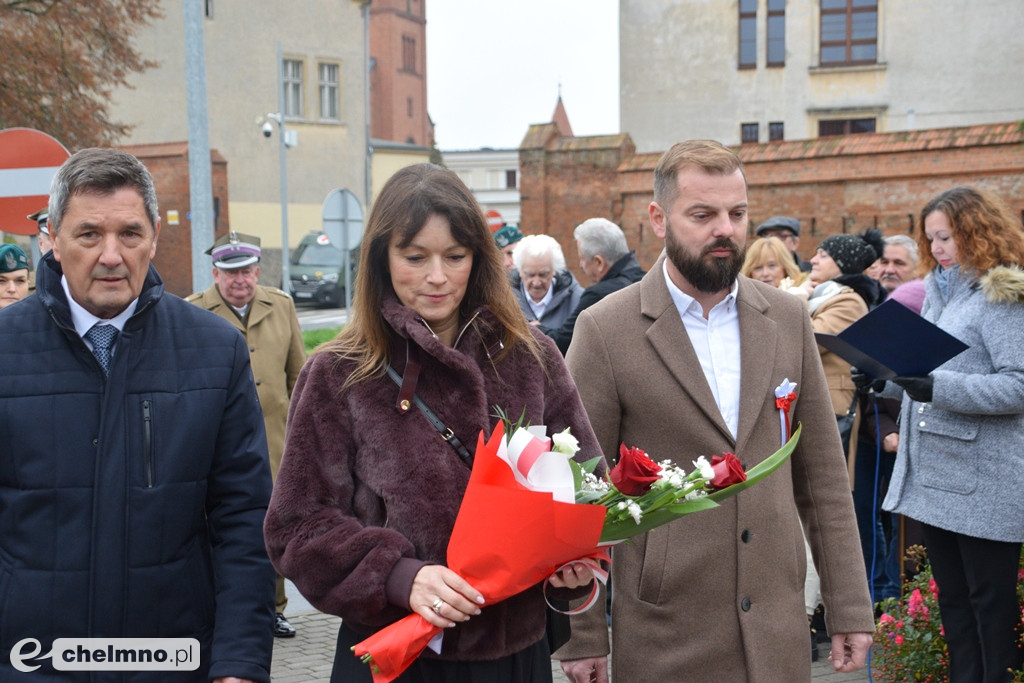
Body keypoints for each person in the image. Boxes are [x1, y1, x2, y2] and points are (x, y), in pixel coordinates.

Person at [263, 163, 605, 683]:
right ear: (381, 257)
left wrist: (573, 572)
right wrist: (400, 577)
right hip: (395, 654)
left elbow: (587, 489)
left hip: (513, 656)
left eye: (455, 256)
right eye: (415, 257)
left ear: (480, 259)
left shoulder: (530, 358)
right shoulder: (340, 372)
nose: (438, 277)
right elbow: (296, 526)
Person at [557, 140, 874, 683]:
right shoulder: (606, 330)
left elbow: (821, 476)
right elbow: (576, 487)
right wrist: (581, 637)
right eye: (702, 215)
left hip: (777, 628)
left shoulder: (786, 318)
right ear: (659, 218)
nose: (724, 229)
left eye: (737, 213)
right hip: (667, 630)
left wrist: (847, 605)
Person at [0, 148, 275, 681]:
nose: (111, 255)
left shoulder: (215, 349)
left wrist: (238, 662)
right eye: (88, 235)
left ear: (153, 237)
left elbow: (243, 521)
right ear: (51, 240)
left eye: (129, 234)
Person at [855, 186, 1024, 682]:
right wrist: (882, 377)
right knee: (953, 603)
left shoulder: (1003, 293)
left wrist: (936, 387)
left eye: (946, 236)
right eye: (932, 239)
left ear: (976, 230)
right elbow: (922, 371)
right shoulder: (940, 291)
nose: (940, 248)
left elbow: (1018, 385)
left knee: (989, 608)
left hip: (985, 479)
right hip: (937, 477)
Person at [187, 231, 307, 639]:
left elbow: (298, 376)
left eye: (247, 272)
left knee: (271, 524)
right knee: (221, 526)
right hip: (216, 442)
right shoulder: (194, 312)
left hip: (275, 441)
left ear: (257, 271)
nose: (240, 280)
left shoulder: (281, 306)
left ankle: (273, 609)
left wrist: (301, 437)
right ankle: (220, 608)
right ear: (215, 274)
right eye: (230, 273)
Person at [538, 217, 645, 354]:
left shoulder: (598, 295)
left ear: (599, 262)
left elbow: (563, 343)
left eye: (582, 258)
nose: (580, 265)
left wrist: (534, 329)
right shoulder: (650, 281)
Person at [510, 234, 583, 328]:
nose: (536, 283)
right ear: (520, 271)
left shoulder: (577, 300)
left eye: (543, 274)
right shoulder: (505, 300)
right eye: (530, 275)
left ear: (554, 271)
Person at [0, 243, 31, 309]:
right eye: (1, 281)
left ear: (28, 285)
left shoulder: (42, 318)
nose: (12, 289)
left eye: (20, 281)